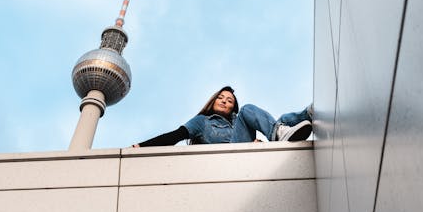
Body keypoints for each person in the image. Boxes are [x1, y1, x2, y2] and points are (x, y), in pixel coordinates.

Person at [133, 85, 314, 147]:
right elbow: (175, 136)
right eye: (220, 97)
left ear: (232, 107)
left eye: (229, 100)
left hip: (244, 151)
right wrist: (141, 146)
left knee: (281, 121)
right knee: (249, 109)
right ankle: (278, 134)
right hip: (227, 159)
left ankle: (310, 114)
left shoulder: (239, 121)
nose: (225, 101)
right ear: (212, 101)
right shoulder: (202, 122)